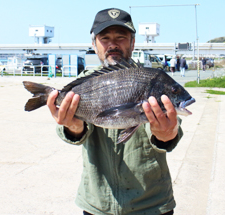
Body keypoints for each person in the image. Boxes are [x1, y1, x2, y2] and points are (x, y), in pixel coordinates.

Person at [46, 8, 183, 215]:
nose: (113, 44)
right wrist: (74, 127)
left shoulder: (151, 78)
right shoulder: (83, 84)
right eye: (105, 38)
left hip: (152, 205)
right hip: (97, 204)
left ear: (133, 42)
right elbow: (71, 132)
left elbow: (173, 127)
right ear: (94, 44)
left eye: (121, 37)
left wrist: (167, 134)